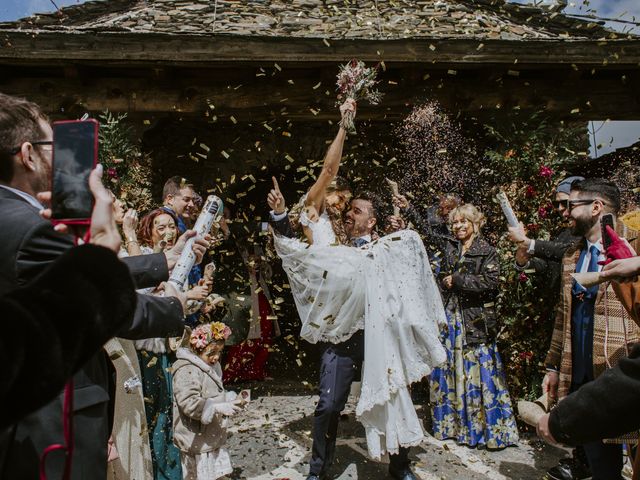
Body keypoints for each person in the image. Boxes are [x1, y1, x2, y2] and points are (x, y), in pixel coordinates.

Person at [0, 92, 207, 480]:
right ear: (28, 154)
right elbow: (104, 303)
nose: (62, 159)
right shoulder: (30, 229)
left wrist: (163, 262)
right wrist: (177, 306)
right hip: (48, 425)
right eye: (53, 146)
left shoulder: (14, 218)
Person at [269, 100, 446, 480]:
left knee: (395, 391)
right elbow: (328, 170)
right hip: (340, 331)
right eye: (336, 195)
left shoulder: (377, 245)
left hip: (380, 328)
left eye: (349, 202)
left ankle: (400, 467)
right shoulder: (317, 224)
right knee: (330, 405)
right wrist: (345, 123)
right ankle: (318, 471)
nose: (342, 204)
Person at [541, 178, 640, 480]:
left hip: (623, 378)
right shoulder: (572, 255)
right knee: (601, 469)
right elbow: (562, 315)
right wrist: (552, 366)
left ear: (595, 207)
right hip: (583, 377)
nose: (564, 212)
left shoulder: (634, 245)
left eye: (570, 205)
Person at [507, 175, 587, 480]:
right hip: (559, 319)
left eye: (565, 203)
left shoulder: (584, 237)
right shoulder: (565, 233)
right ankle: (583, 458)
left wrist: (530, 242)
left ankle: (589, 458)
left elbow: (563, 252)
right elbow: (548, 268)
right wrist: (524, 259)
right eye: (556, 204)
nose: (560, 210)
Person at [429, 203, 519, 449]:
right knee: (449, 366)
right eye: (455, 222)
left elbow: (491, 282)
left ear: (475, 224)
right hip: (450, 318)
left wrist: (457, 280)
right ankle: (453, 428)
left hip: (474, 321)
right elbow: (430, 231)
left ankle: (482, 431)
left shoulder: (485, 250)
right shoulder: (451, 247)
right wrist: (407, 208)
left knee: (476, 370)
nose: (458, 226)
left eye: (463, 222)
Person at [173, 322, 241, 480]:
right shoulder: (187, 369)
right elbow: (189, 402)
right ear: (198, 349)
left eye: (219, 352)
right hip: (195, 438)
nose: (216, 357)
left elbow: (213, 390)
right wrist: (216, 407)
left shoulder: (211, 365)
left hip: (210, 435)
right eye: (211, 352)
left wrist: (229, 399)